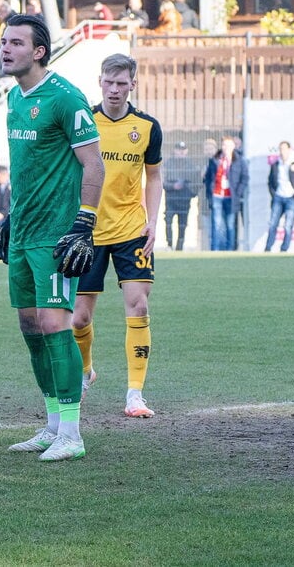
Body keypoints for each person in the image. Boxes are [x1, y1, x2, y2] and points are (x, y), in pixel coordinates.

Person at [0, 14, 104, 462]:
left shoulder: (66, 98)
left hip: (56, 235)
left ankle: (73, 434)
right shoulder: (12, 97)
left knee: (54, 323)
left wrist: (84, 221)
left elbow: (94, 164)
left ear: (39, 51)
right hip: (23, 230)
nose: (5, 48)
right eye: (3, 41)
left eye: (16, 42)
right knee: (29, 325)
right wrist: (9, 216)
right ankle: (52, 426)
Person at [71, 54, 163, 419]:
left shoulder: (147, 127)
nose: (114, 89)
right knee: (78, 318)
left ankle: (135, 394)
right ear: (100, 82)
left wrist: (153, 220)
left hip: (131, 229)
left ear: (132, 85)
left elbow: (153, 176)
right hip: (89, 230)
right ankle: (85, 372)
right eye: (109, 82)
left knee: (139, 305)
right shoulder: (85, 123)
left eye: (121, 83)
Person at [204, 135, 248, 251]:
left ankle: (230, 249)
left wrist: (238, 193)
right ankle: (215, 249)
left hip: (231, 197)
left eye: (228, 145)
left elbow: (245, 178)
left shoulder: (239, 161)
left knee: (230, 224)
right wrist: (210, 191)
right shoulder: (215, 160)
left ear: (233, 146)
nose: (226, 148)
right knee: (217, 223)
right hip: (217, 195)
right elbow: (208, 177)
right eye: (224, 145)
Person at [264, 140, 294, 252]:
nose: (282, 151)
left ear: (289, 150)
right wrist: (274, 194)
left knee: (288, 226)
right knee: (272, 224)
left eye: (284, 149)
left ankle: (284, 249)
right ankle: (268, 248)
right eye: (280, 149)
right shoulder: (276, 164)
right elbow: (270, 181)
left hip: (291, 198)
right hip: (278, 197)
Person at [162, 141, 198, 251]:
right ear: (174, 150)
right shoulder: (168, 164)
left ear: (186, 151)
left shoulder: (191, 165)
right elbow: (162, 182)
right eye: (178, 150)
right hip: (171, 199)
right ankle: (169, 244)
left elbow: (196, 183)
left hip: (184, 200)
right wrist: (173, 186)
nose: (181, 152)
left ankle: (179, 248)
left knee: (182, 225)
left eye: (183, 150)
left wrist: (190, 193)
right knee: (168, 222)